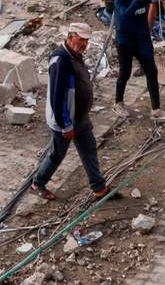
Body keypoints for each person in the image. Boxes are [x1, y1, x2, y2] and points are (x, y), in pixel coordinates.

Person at [32, 23, 108, 201]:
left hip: (79, 116)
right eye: (81, 40)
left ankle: (99, 188)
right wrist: (65, 125)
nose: (84, 44)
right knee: (57, 154)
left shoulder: (75, 55)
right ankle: (38, 182)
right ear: (71, 36)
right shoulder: (61, 60)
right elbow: (57, 98)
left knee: (89, 150)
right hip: (64, 120)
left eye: (87, 41)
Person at [113, 0, 162, 114]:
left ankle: (156, 109)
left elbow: (148, 9)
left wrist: (148, 30)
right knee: (125, 72)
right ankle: (118, 102)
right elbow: (123, 19)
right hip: (125, 41)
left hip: (142, 38)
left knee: (152, 71)